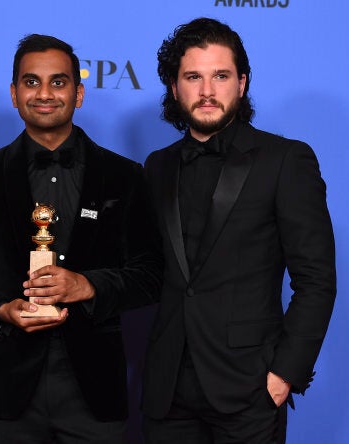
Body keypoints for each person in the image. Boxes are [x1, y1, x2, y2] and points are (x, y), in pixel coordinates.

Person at [0, 34, 163, 443]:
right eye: (31, 82)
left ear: (78, 94)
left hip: (95, 389)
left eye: (58, 82)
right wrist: (1, 310)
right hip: (8, 391)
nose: (44, 93)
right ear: (13, 93)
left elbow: (151, 274)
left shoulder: (124, 176)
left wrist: (88, 285)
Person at [142, 17, 336, 443]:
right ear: (174, 88)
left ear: (242, 84)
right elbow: (151, 271)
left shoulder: (285, 160)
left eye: (221, 76)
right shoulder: (158, 166)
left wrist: (285, 372)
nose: (207, 91)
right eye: (193, 76)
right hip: (167, 388)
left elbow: (316, 279)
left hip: (249, 389)